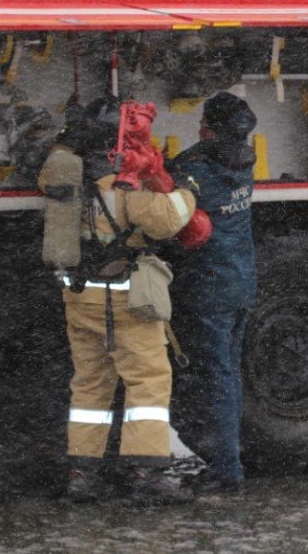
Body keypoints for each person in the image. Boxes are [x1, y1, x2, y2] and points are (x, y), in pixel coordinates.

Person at [39, 96, 198, 505]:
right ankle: (146, 474)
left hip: (80, 294)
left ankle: (82, 476)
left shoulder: (65, 174)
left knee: (90, 387)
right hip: (127, 295)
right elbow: (167, 222)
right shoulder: (127, 182)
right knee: (147, 383)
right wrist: (187, 191)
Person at [168, 92, 258, 494]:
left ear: (211, 128)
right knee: (229, 376)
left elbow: (168, 208)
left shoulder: (197, 170)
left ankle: (226, 471)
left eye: (204, 121)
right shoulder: (242, 163)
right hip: (239, 282)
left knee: (217, 379)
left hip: (210, 287)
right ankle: (230, 460)